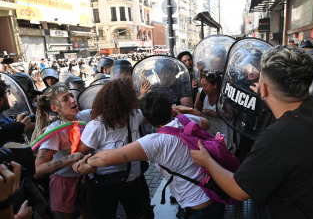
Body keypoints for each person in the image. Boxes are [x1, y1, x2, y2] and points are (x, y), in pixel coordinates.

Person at [190, 46, 313, 219]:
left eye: (260, 78)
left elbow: (238, 190)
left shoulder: (277, 138)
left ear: (265, 89)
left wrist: (207, 161)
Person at [74, 91, 225, 219]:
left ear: (147, 120)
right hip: (215, 195)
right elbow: (206, 124)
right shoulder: (186, 121)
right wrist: (185, 113)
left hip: (197, 209)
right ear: (171, 111)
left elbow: (107, 158)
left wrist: (87, 162)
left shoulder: (153, 143)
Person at [74, 79, 146, 219]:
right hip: (103, 185)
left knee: (137, 214)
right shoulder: (96, 126)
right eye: (122, 112)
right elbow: (78, 153)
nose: (124, 119)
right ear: (115, 106)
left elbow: (153, 116)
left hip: (131, 182)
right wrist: (83, 166)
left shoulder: (134, 115)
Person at [33, 84, 92, 219]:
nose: (73, 100)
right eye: (65, 99)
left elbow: (107, 109)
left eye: (71, 95)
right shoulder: (53, 131)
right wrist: (72, 158)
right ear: (54, 108)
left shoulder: (85, 117)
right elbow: (38, 169)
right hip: (64, 183)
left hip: (87, 178)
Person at [194, 71, 233, 149]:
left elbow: (231, 116)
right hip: (208, 133)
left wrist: (215, 114)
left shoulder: (224, 96)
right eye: (202, 85)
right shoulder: (202, 93)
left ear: (215, 85)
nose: (203, 88)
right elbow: (196, 108)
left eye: (205, 86)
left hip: (224, 133)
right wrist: (198, 113)